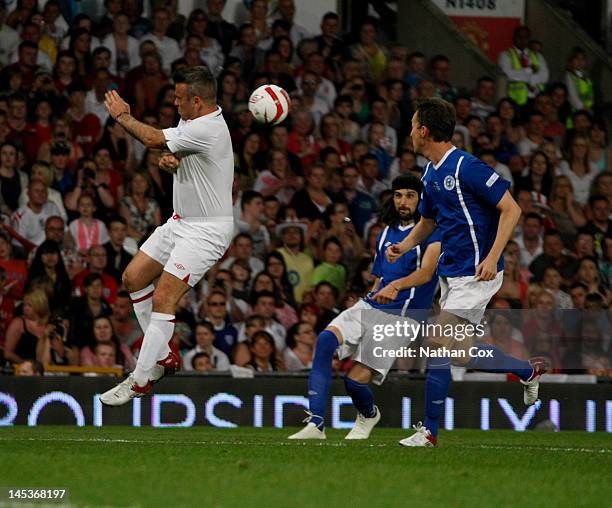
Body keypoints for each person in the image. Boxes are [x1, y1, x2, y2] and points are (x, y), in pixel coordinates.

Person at [387, 98, 547, 447]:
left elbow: (512, 209)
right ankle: (526, 370)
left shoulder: (466, 167)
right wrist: (406, 245)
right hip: (452, 273)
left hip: (477, 274)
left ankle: (428, 432)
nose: (410, 132)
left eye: (413, 126)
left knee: (436, 342)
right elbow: (428, 222)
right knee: (459, 352)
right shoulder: (429, 173)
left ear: (424, 131)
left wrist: (492, 258)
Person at [99, 66, 234, 405]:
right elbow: (183, 153)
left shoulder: (209, 127)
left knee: (164, 298)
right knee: (133, 278)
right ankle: (164, 356)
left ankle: (140, 379)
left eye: (178, 98)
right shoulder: (194, 121)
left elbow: (151, 138)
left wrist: (123, 117)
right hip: (179, 222)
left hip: (207, 230)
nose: (174, 103)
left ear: (198, 101)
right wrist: (174, 163)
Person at [289, 174, 441, 440]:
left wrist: (396, 287)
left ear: (421, 200)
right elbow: (381, 279)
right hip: (372, 306)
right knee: (325, 340)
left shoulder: (433, 233)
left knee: (354, 381)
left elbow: (427, 273)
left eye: (410, 195)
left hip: (403, 317)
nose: (403, 201)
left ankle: (369, 414)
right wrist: (370, 296)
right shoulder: (384, 235)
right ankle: (315, 423)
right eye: (398, 195)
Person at [498, 26, 549, 107]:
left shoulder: (537, 56)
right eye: (520, 37)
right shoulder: (505, 55)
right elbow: (509, 75)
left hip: (536, 99)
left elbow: (545, 76)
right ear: (514, 38)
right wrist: (529, 71)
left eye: (526, 37)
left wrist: (529, 79)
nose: (523, 40)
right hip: (515, 101)